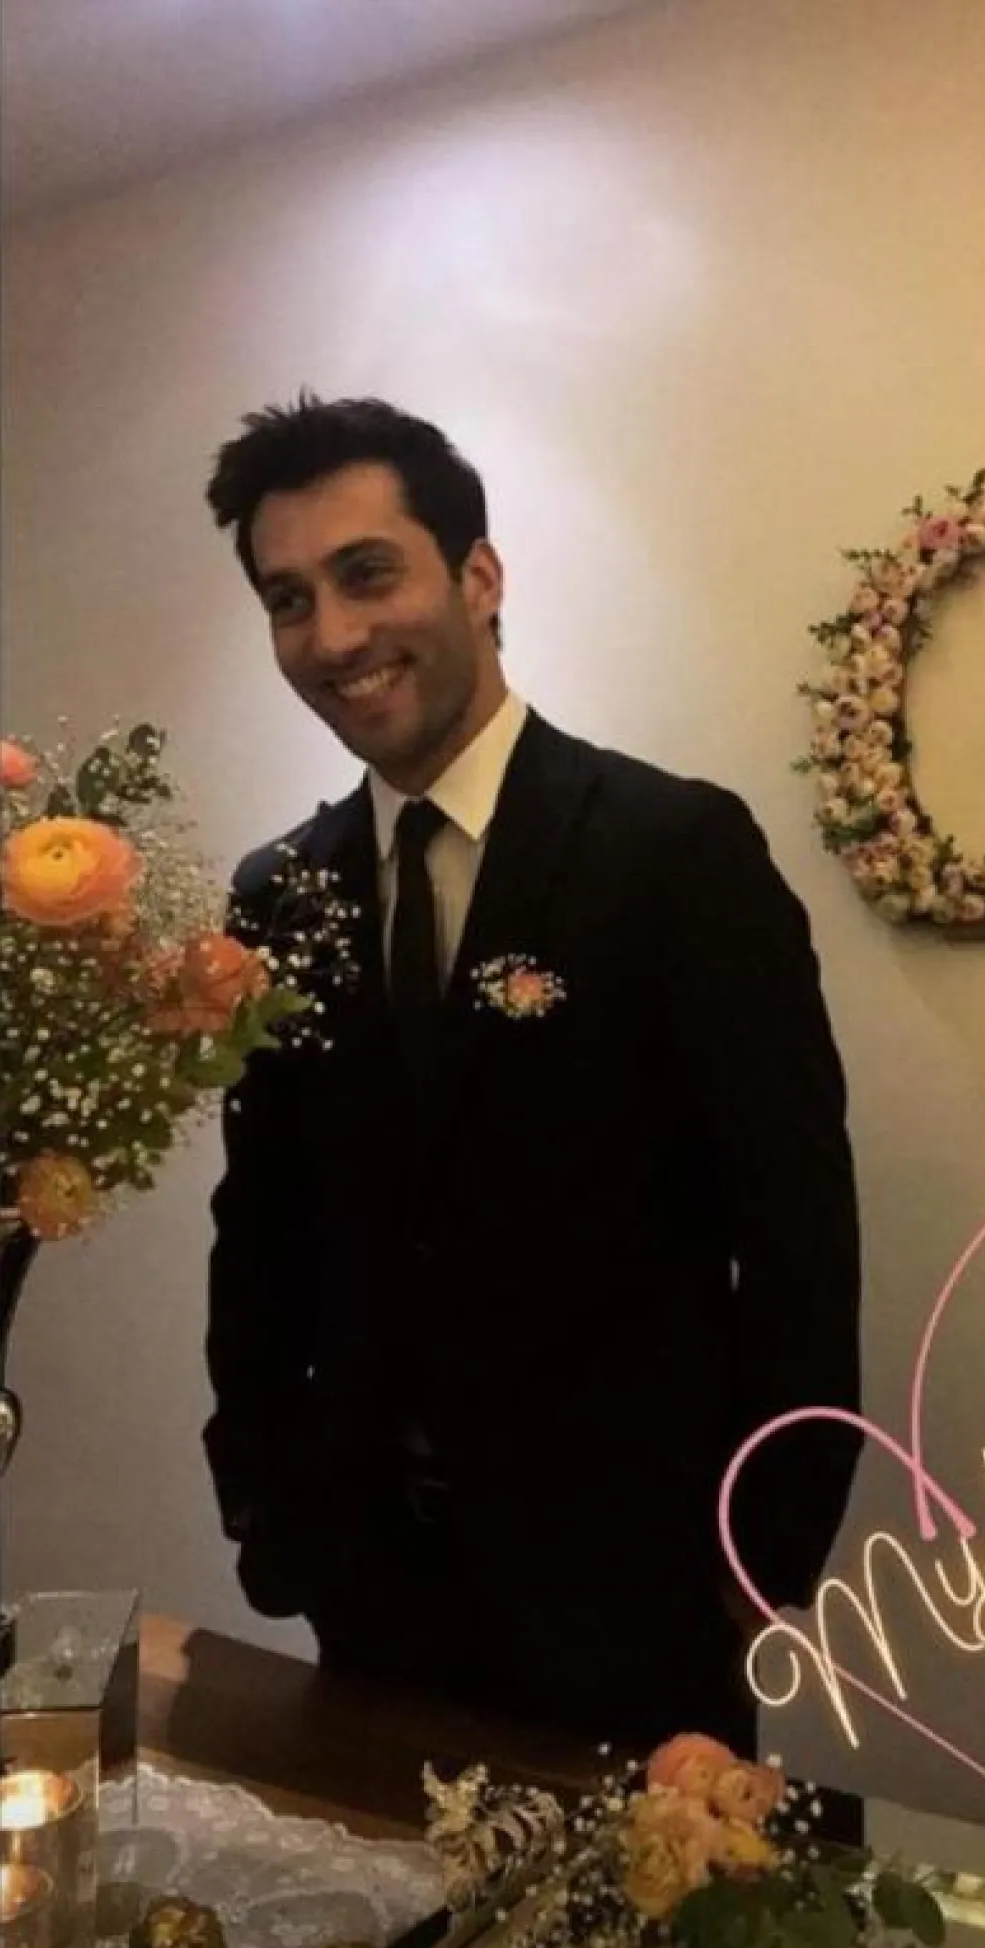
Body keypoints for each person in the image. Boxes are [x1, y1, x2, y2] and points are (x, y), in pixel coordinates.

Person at [202, 394, 862, 1762]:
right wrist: (261, 1499)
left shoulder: (674, 853)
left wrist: (765, 1554)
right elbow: (260, 1234)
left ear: (480, 577)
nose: (333, 636)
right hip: (367, 1583)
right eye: (288, 599)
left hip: (636, 1585)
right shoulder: (277, 896)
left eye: (367, 573)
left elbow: (798, 1235)